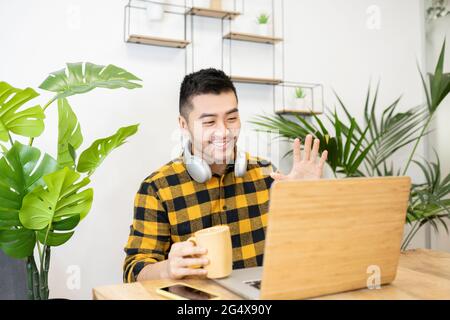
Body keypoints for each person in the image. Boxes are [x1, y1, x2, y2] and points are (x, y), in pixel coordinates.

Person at [123, 68, 328, 282]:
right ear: (184, 125)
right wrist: (166, 269)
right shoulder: (158, 188)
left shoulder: (267, 175)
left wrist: (305, 201)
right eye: (209, 122)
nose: (224, 132)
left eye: (231, 118)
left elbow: (299, 251)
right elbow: (133, 271)